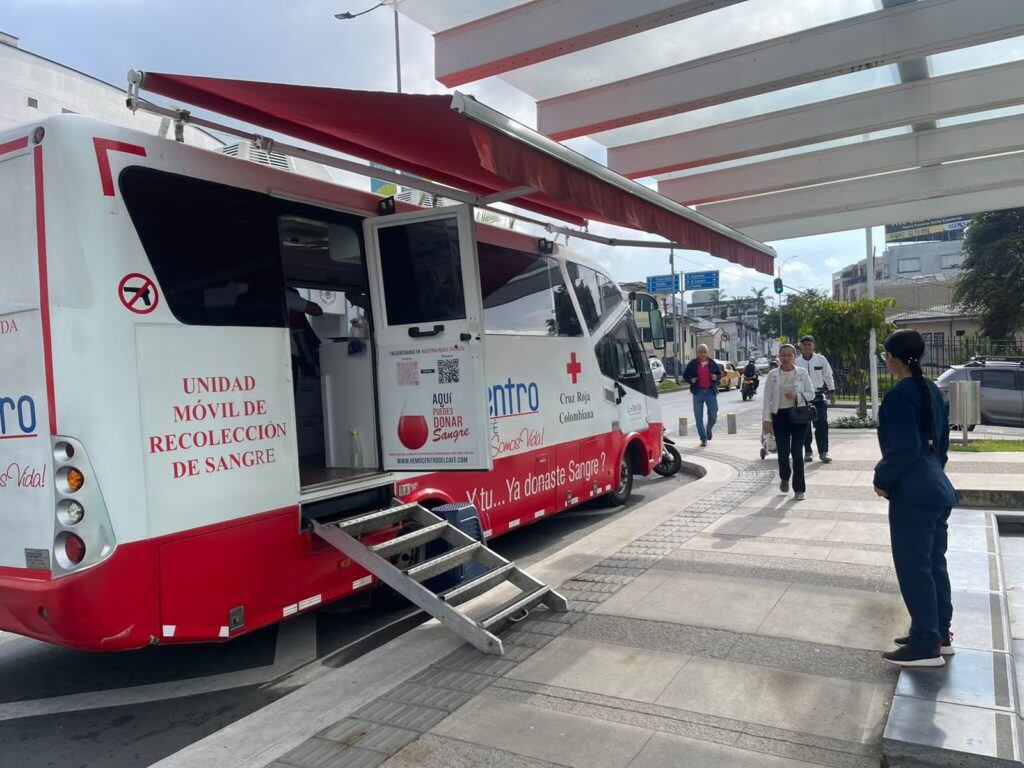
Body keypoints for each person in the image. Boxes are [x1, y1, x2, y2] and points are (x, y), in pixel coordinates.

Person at [875, 329, 958, 668]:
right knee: (934, 562)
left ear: (892, 359)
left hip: (914, 491)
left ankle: (925, 643)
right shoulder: (932, 390)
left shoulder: (898, 396)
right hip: (936, 486)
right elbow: (941, 445)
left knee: (914, 567)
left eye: (886, 356)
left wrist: (882, 479)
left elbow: (904, 448)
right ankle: (938, 632)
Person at [762, 343, 816, 500]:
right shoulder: (772, 375)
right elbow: (767, 400)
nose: (785, 358)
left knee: (797, 452)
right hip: (780, 417)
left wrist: (797, 396)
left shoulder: (802, 373)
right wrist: (766, 420)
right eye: (783, 355)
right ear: (779, 356)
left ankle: (799, 489)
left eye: (789, 355)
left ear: (794, 356)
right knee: (783, 452)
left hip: (799, 416)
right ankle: (785, 476)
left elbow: (811, 394)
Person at [795, 335, 836, 463]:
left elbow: (828, 375)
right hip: (803, 398)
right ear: (800, 346)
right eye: (805, 344)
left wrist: (832, 391)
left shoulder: (821, 359)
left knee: (822, 424)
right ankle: (808, 451)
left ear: (814, 346)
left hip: (819, 396)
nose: (807, 347)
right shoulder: (796, 362)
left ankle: (823, 452)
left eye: (809, 344)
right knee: (805, 426)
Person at [682, 344, 721, 447]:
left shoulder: (712, 363)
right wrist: (691, 379)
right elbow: (685, 375)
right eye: (700, 352)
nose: (702, 354)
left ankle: (708, 429)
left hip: (710, 392)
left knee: (713, 415)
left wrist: (715, 376)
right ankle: (703, 438)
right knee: (698, 417)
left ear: (707, 353)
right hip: (697, 392)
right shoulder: (693, 364)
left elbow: (719, 373)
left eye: (704, 351)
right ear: (698, 353)